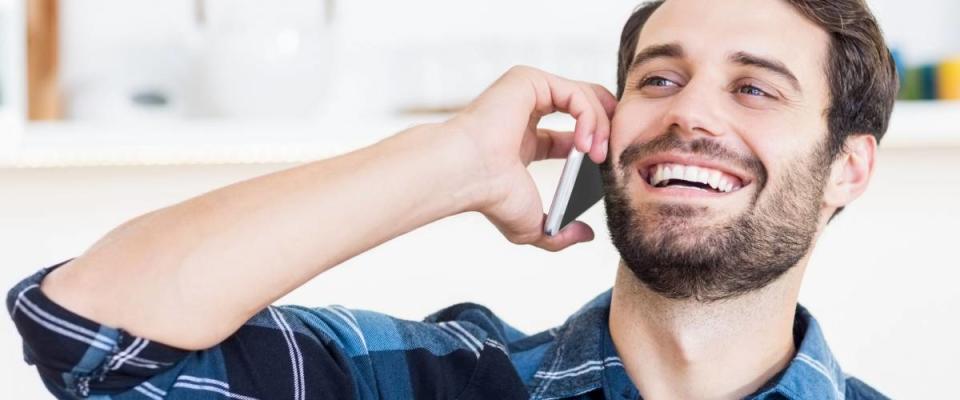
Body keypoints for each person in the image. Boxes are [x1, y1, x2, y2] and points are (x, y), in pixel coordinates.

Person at [7, 0, 898, 398]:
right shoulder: (423, 383)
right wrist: (452, 158)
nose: (688, 113)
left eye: (755, 89)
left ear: (849, 167)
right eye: (659, 78)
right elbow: (92, 334)